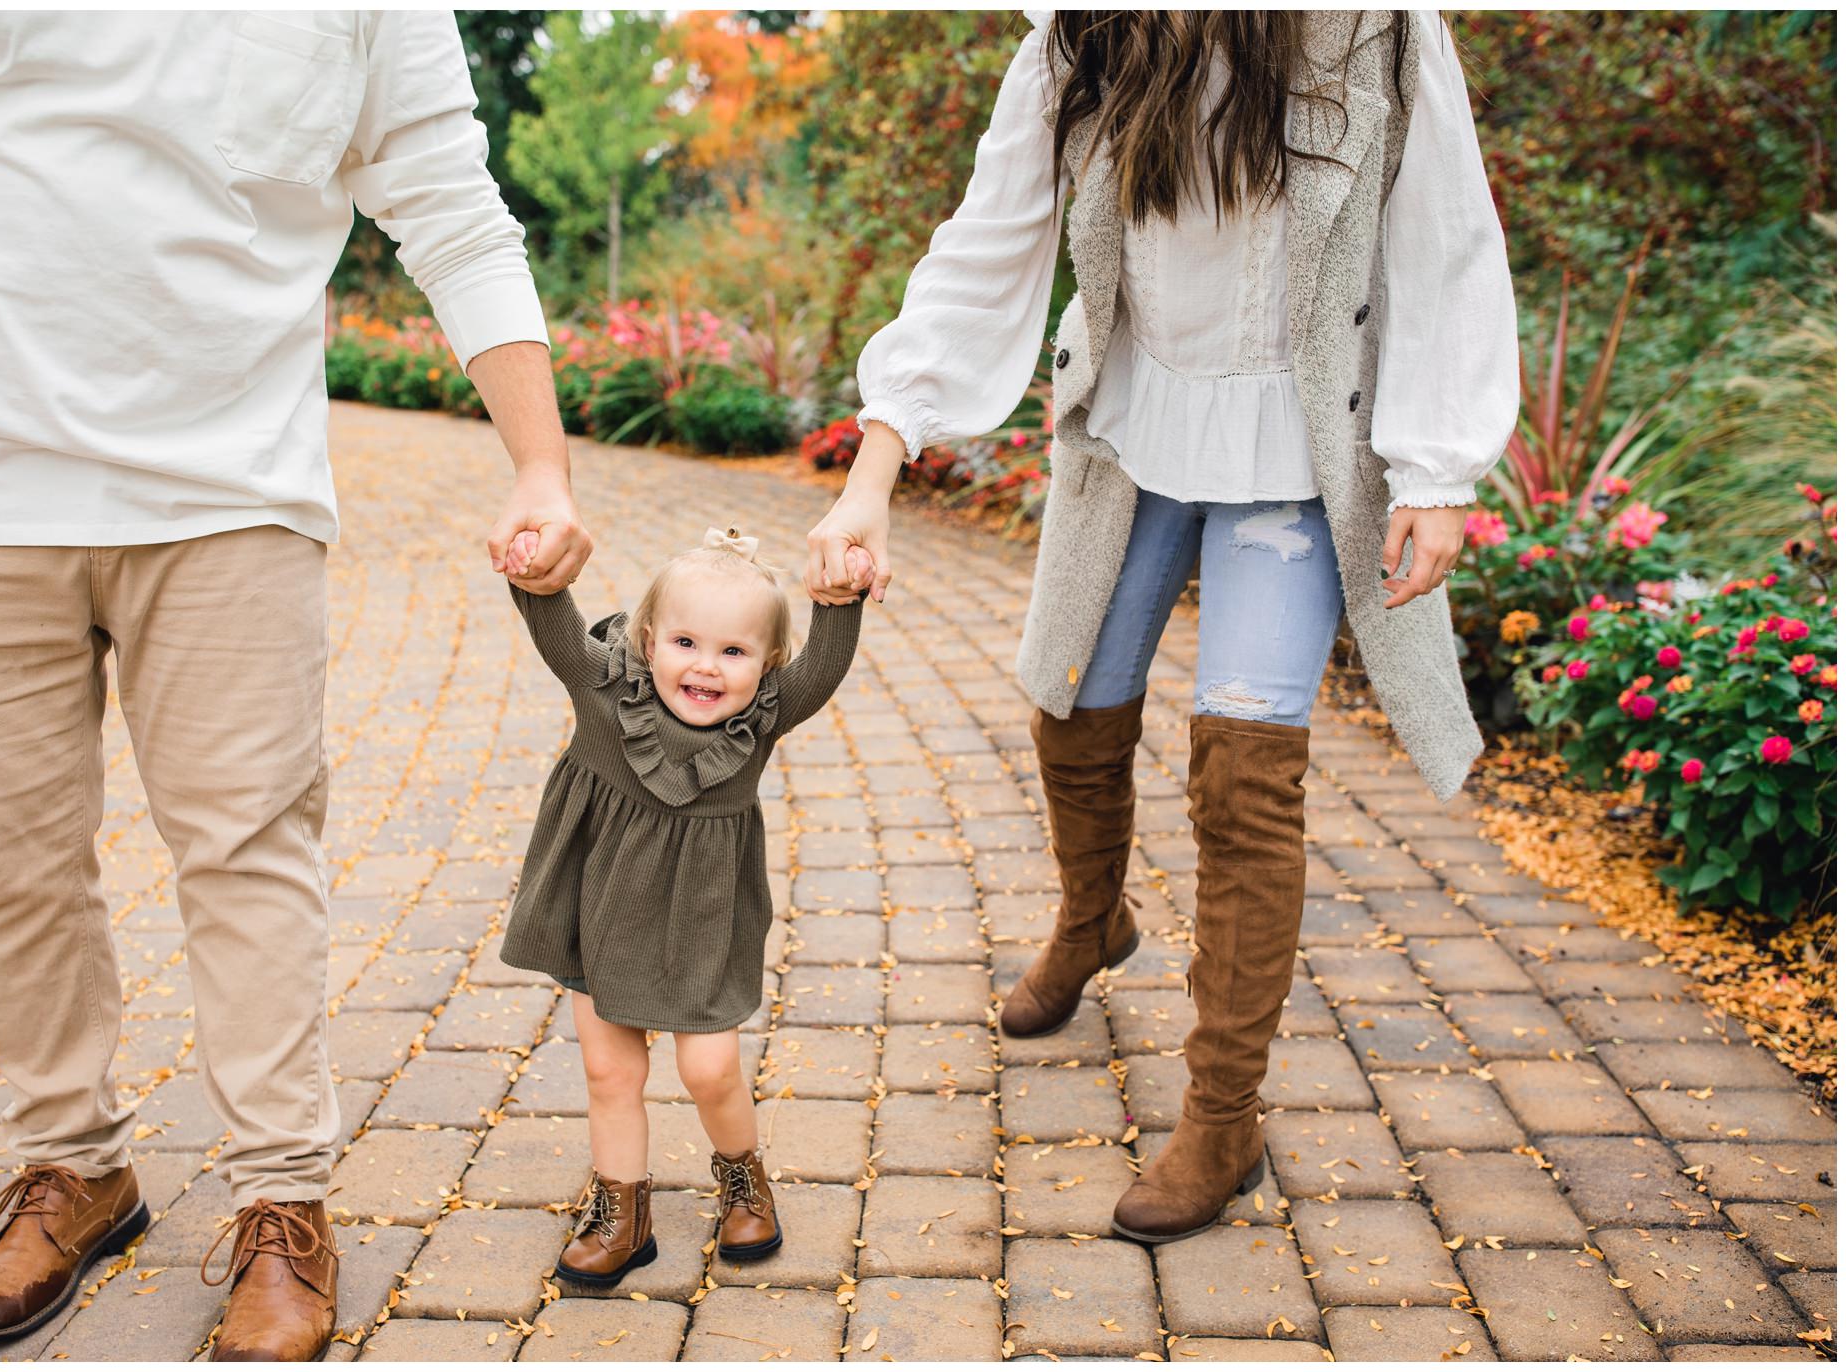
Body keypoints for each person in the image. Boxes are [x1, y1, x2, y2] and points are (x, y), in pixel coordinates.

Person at [0, 11, 590, 1358]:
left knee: (250, 851)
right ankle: (75, 1163)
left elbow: (449, 198)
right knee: (8, 861)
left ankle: (283, 1200)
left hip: (234, 486)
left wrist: (543, 464)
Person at [807, 9, 1515, 1242]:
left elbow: (1443, 238)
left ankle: (1221, 1112)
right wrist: (874, 467)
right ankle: (1092, 919)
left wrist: (1436, 471)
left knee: (1244, 766)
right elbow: (984, 251)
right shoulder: (1077, 40)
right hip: (1132, 424)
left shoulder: (1372, 31)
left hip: (1294, 452)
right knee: (1068, 692)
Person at [497, 528, 867, 1284]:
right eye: (685, 641)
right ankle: (623, 1216)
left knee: (709, 1070)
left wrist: (839, 599)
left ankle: (743, 1178)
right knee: (610, 1072)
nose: (704, 665)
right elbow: (554, 625)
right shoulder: (607, 691)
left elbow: (823, 669)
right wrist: (535, 569)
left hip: (701, 923)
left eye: (733, 652)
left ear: (766, 665)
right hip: (600, 910)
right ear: (646, 639)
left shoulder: (757, 718)